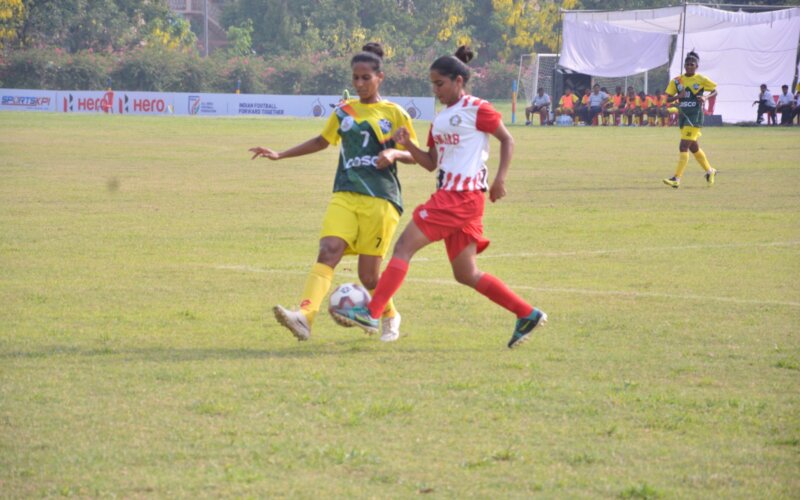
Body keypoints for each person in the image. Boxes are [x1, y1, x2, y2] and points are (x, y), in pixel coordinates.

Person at [330, 46, 547, 349]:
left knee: (404, 246)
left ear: (458, 81)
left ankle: (371, 312)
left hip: (460, 196)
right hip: (455, 198)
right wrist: (407, 146)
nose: (435, 90)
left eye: (440, 83)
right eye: (432, 84)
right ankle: (526, 313)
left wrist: (500, 179)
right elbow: (431, 161)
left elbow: (507, 139)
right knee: (466, 273)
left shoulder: (477, 108)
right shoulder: (441, 119)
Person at [248, 42, 419, 342]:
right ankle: (304, 317)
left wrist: (394, 154)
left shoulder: (395, 113)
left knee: (368, 277)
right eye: (355, 77)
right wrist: (280, 154)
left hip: (382, 199)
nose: (360, 83)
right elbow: (321, 141)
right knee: (328, 250)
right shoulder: (345, 112)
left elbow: (416, 154)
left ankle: (391, 315)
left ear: (381, 77)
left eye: (366, 77)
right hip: (345, 193)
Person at [662, 51, 718, 189]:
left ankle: (676, 178)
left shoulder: (701, 79)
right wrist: (677, 96)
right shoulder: (677, 81)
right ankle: (710, 171)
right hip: (683, 116)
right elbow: (667, 98)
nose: (689, 66)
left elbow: (715, 90)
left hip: (695, 117)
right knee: (694, 147)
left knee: (683, 146)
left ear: (696, 66)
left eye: (692, 64)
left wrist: (705, 97)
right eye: (687, 64)